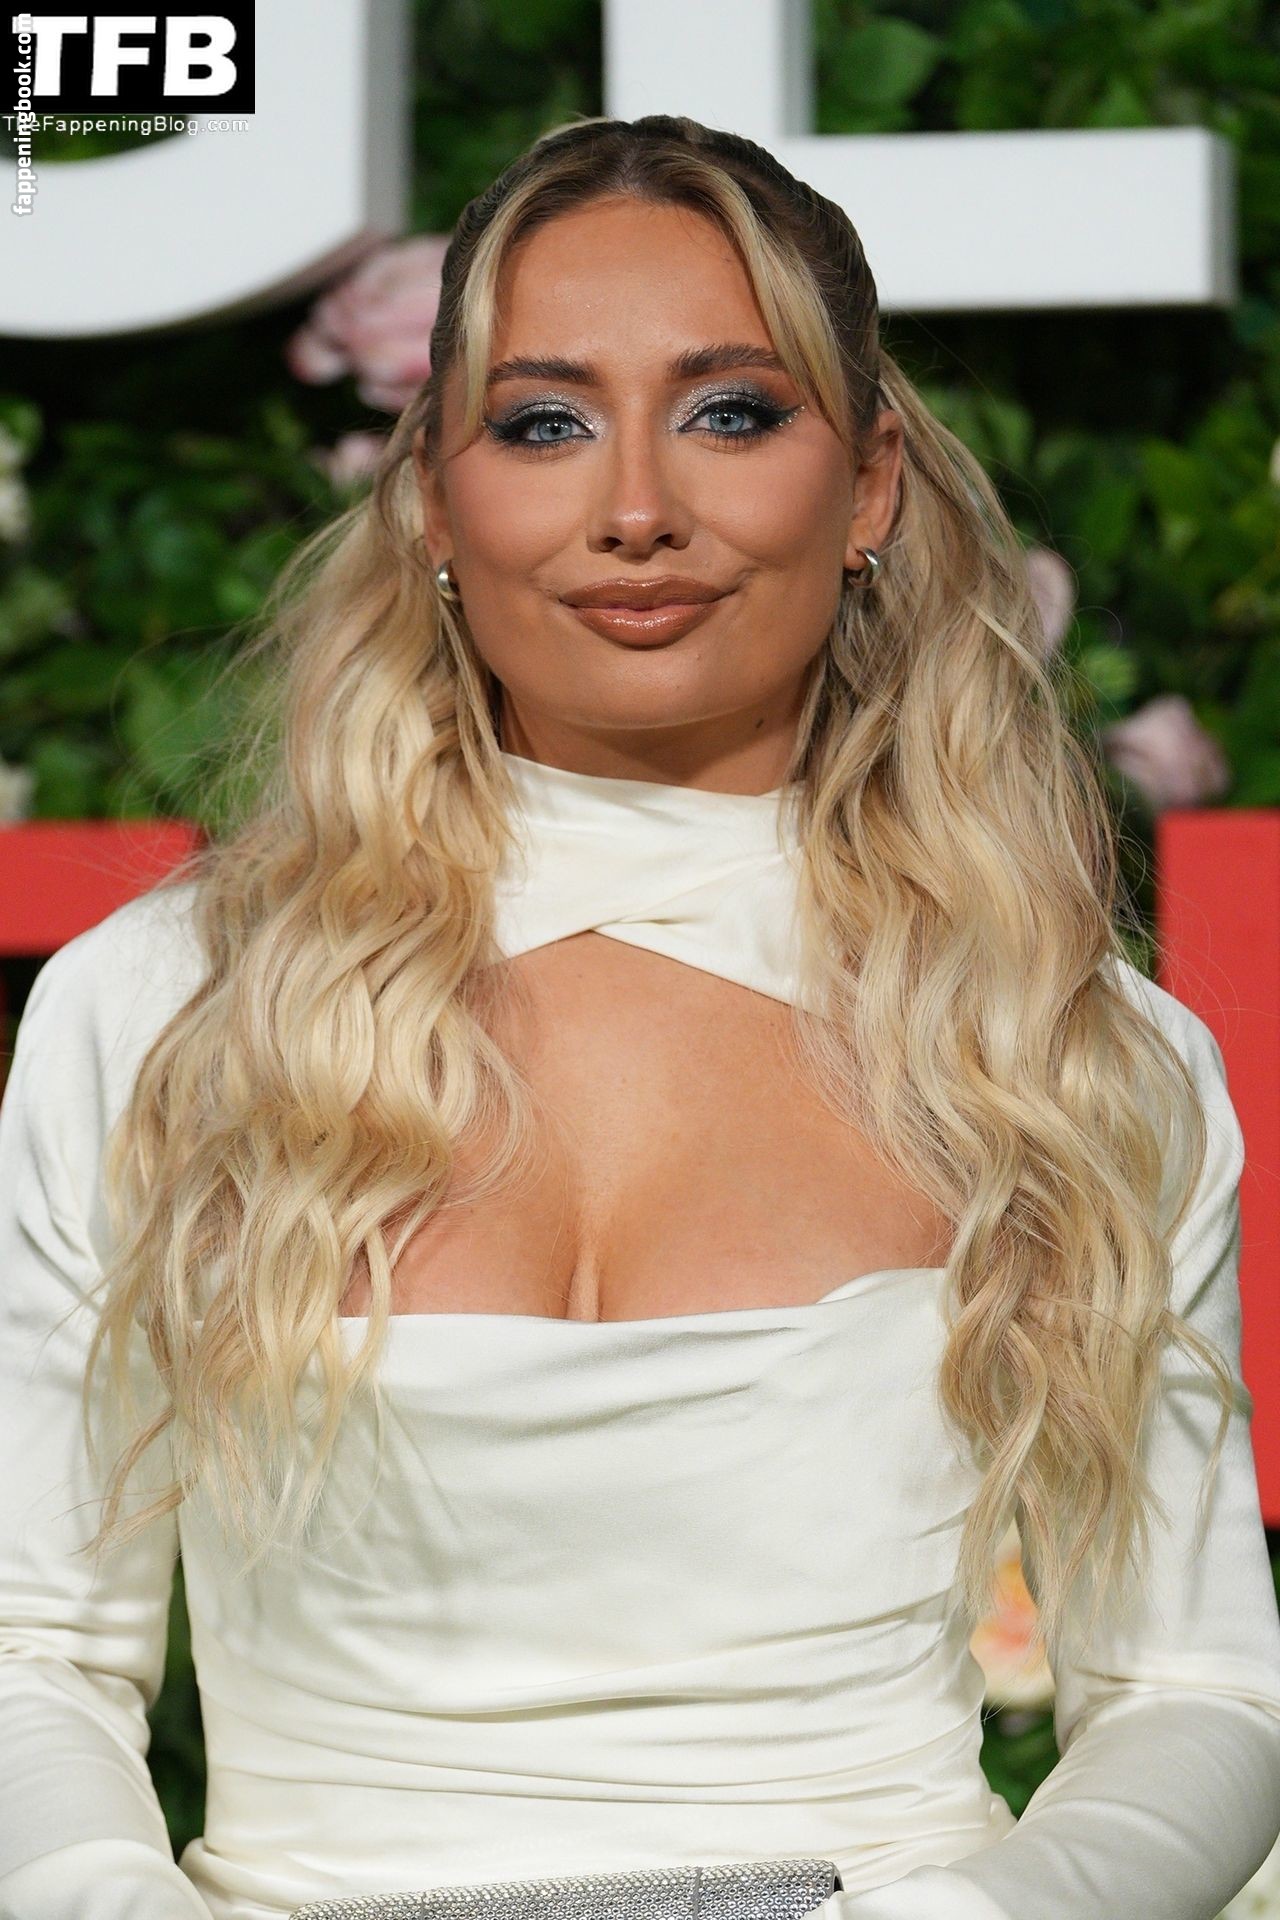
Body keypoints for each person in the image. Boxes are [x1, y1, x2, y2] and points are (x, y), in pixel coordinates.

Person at [1, 111, 1278, 1920]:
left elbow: (1196, 1694)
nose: (635, 510)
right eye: (544, 423)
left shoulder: (1069, 1054)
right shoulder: (168, 1010)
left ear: (873, 485)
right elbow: (32, 1646)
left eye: (730, 412)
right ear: (434, 499)